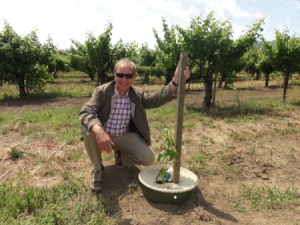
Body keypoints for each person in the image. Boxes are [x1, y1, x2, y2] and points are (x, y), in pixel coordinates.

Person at [79, 58, 190, 191]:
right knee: (89, 128)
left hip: (123, 137)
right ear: (114, 75)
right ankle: (98, 170)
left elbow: (155, 99)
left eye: (128, 76)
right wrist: (99, 131)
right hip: (103, 135)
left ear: (134, 77)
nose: (124, 79)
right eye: (120, 75)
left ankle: (121, 156)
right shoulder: (102, 92)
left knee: (148, 158)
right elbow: (86, 111)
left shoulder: (136, 95)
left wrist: (175, 81)